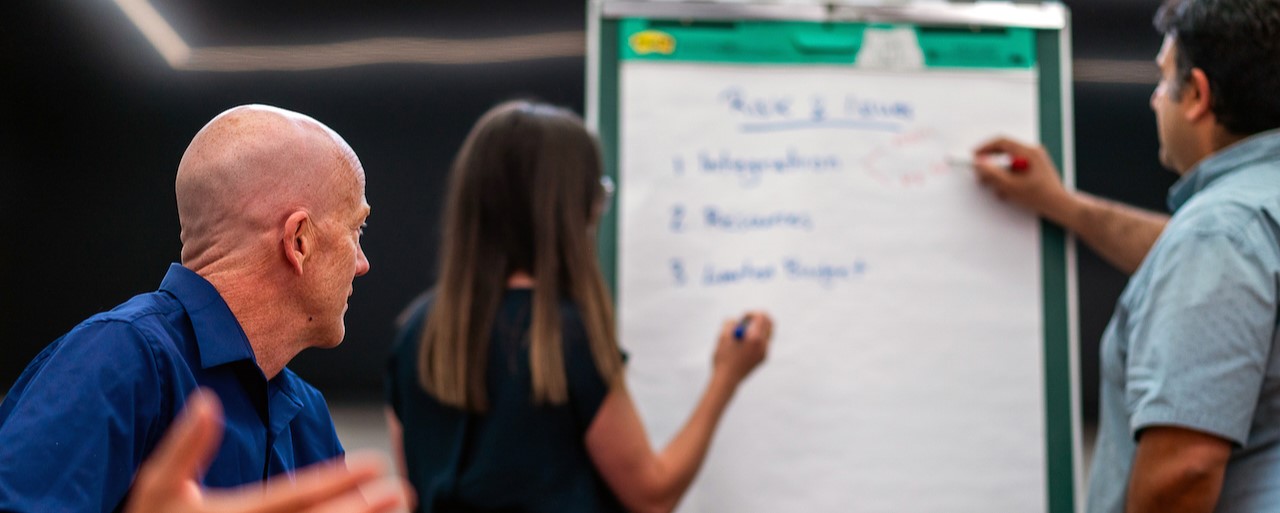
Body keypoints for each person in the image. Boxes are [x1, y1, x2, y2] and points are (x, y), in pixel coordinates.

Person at [385, 100, 773, 513]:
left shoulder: (415, 331)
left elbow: (412, 492)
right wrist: (725, 378)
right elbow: (653, 495)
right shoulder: (562, 338)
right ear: (572, 210)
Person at [970, 0, 1280, 511]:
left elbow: (1183, 473)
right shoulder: (1249, 221)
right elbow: (1203, 261)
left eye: (1163, 81)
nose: (1155, 100)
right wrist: (1064, 206)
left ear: (1197, 95)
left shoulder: (1218, 235)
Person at [0, 104, 372, 512]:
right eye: (357, 229)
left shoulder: (307, 415)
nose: (362, 263)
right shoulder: (121, 357)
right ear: (299, 240)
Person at [125, 390, 411, 513]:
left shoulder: (309, 405)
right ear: (297, 259)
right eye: (352, 258)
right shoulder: (124, 350)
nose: (362, 265)